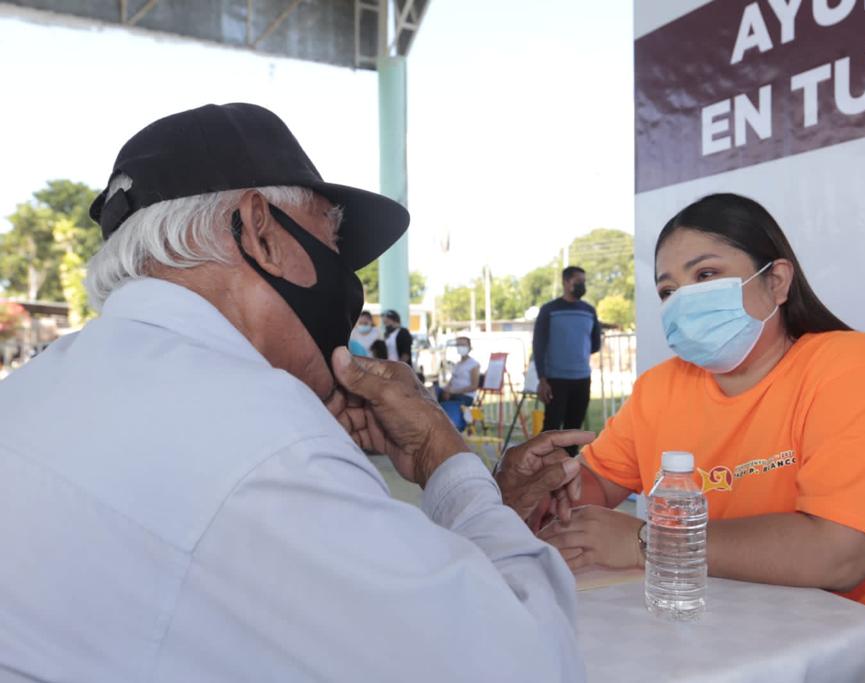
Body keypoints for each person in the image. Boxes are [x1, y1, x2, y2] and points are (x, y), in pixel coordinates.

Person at [0, 103, 589, 682]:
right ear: (260, 231)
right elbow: (529, 662)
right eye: (332, 241)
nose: (345, 277)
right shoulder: (260, 438)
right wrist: (445, 458)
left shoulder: (33, 391)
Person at [535, 194, 865, 683]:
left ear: (776, 281)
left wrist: (646, 541)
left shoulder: (851, 367)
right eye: (667, 290)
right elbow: (586, 488)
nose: (683, 301)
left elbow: (839, 553)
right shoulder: (661, 388)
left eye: (705, 276)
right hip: (735, 637)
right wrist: (537, 487)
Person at [532, 265, 602, 442]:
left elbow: (595, 344)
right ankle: (544, 467)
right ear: (565, 282)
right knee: (551, 429)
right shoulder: (549, 310)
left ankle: (569, 465)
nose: (582, 285)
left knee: (574, 429)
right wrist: (542, 379)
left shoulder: (589, 311)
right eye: (578, 281)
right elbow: (538, 345)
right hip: (555, 380)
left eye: (584, 282)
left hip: (582, 379)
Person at [435, 336, 481, 430]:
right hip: (452, 394)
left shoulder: (473, 364)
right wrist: (446, 390)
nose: (460, 347)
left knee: (449, 409)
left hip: (464, 396)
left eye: (463, 345)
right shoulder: (457, 365)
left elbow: (473, 386)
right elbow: (451, 382)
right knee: (432, 390)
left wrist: (453, 392)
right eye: (458, 345)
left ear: (469, 346)